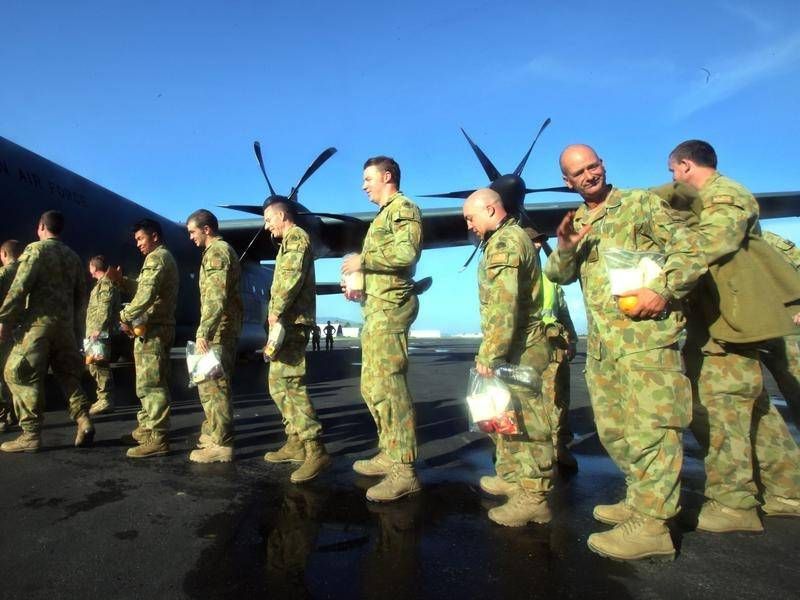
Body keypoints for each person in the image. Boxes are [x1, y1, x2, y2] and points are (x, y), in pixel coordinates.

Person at [545, 144, 706, 561]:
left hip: (646, 340)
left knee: (653, 429)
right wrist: (564, 246)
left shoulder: (639, 204)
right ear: (568, 181)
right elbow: (558, 276)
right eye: (579, 172)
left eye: (593, 166)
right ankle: (640, 500)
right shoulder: (578, 220)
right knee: (615, 430)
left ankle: (653, 527)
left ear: (603, 164)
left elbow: (691, 248)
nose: (589, 175)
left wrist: (663, 289)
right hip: (603, 346)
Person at [667, 140, 800, 530]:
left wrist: (664, 285)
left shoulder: (723, 196)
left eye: (674, 171)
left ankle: (733, 505)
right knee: (754, 407)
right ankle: (787, 490)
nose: (673, 179)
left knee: (719, 409)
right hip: (724, 321)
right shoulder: (711, 199)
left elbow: (714, 241)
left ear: (687, 165)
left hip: (729, 324)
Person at [463, 189, 555, 526]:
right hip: (513, 349)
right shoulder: (505, 239)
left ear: (490, 208)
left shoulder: (504, 243)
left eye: (471, 218)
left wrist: (491, 352)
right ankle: (515, 478)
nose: (469, 225)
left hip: (520, 350)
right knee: (508, 416)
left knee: (528, 422)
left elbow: (504, 305)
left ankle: (534, 497)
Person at [341, 155, 422, 502]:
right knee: (372, 387)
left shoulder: (403, 208)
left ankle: (405, 470)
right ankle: (390, 450)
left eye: (368, 179)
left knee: (390, 387)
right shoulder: (382, 217)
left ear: (387, 177)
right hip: (375, 309)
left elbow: (407, 253)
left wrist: (364, 261)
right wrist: (358, 282)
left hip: (391, 310)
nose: (363, 186)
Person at [0, 211, 94, 452]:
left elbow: (20, 288)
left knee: (17, 373)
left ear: (41, 226)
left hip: (38, 325)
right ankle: (83, 419)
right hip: (65, 327)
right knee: (68, 376)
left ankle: (31, 434)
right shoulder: (73, 257)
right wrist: (77, 328)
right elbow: (82, 297)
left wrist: (5, 319)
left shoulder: (35, 251)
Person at [263, 200, 330, 482]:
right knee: (278, 384)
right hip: (286, 323)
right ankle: (295, 441)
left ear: (281, 215)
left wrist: (276, 310)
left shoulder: (296, 238)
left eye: (269, 220)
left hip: (291, 322)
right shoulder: (287, 242)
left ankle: (316, 450)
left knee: (291, 384)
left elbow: (289, 279)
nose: (267, 226)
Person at [108, 218, 178, 458]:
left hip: (155, 330)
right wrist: (123, 282)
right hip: (153, 328)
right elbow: (144, 287)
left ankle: (158, 438)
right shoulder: (162, 258)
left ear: (155, 236)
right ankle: (147, 427)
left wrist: (124, 316)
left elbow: (146, 295)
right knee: (147, 382)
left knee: (152, 384)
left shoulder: (157, 258)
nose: (138, 244)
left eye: (140, 238)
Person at [186, 209, 243, 463]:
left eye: (192, 231)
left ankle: (222, 443)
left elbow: (215, 297)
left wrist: (204, 332)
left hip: (218, 330)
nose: (190, 237)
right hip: (220, 328)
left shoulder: (217, 252)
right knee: (208, 385)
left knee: (214, 385)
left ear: (206, 229)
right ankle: (214, 431)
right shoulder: (217, 251)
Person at [528, 229, 579, 470]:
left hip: (555, 344)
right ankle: (529, 454)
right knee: (525, 402)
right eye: (533, 241)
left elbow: (562, 307)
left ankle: (560, 448)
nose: (538, 245)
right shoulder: (517, 274)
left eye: (538, 241)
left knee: (559, 400)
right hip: (528, 345)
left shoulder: (550, 276)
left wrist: (573, 339)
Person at [758, 230, 800, 427]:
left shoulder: (767, 240)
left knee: (796, 386)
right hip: (747, 330)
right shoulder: (714, 241)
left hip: (785, 327)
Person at [85, 255, 120, 416]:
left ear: (94, 267)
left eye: (90, 267)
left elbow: (104, 308)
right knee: (94, 364)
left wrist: (97, 330)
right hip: (96, 332)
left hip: (99, 333)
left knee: (99, 364)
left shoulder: (105, 285)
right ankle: (104, 397)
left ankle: (105, 399)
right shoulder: (101, 284)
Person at [0, 239, 22, 431]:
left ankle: (2, 416)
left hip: (3, 329)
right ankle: (17, 413)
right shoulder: (27, 273)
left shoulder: (3, 274)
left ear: (4, 254)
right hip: (24, 330)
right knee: (17, 372)